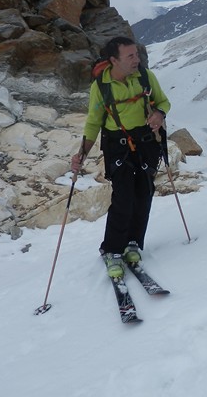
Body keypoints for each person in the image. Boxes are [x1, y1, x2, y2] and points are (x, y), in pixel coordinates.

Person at [70, 36, 171, 278]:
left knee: (144, 194)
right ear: (114, 60)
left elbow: (163, 102)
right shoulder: (102, 87)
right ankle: (112, 249)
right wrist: (81, 154)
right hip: (118, 145)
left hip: (146, 143)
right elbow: (94, 122)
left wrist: (158, 113)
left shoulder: (145, 77)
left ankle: (134, 242)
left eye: (137, 54)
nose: (137, 60)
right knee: (124, 197)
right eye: (131, 56)